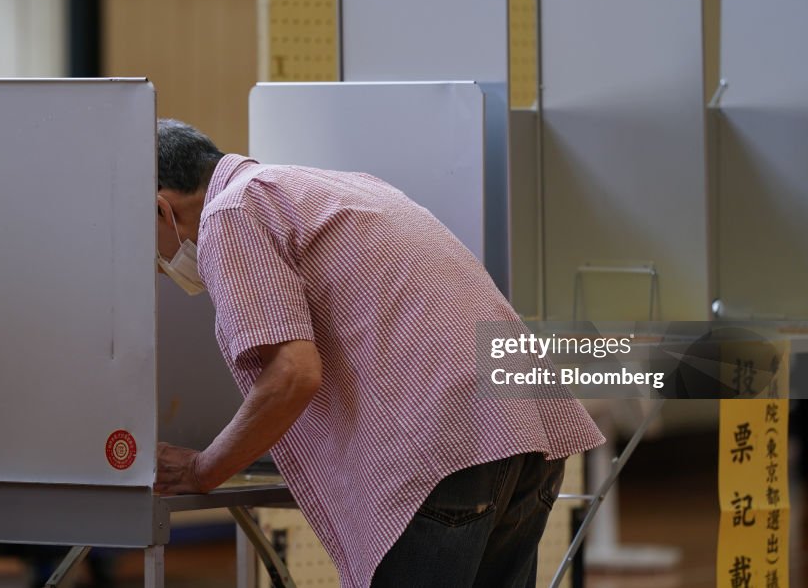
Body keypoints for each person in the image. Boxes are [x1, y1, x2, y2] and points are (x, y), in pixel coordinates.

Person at [152, 118, 604, 587]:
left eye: (151, 254)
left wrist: (203, 468)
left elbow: (293, 374)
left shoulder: (232, 211)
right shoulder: (335, 185)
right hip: (526, 422)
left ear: (161, 209)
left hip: (447, 443)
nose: (162, 270)